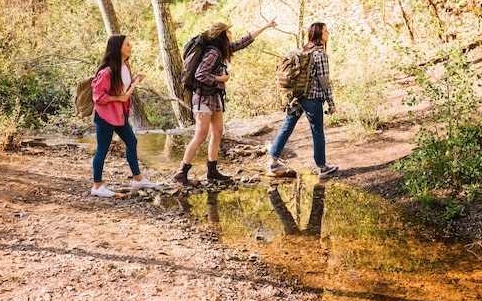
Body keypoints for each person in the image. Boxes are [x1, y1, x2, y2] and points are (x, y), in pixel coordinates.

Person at [173, 19, 277, 186]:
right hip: (203, 98)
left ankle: (212, 171)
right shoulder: (214, 53)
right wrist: (221, 78)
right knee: (200, 135)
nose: (231, 34)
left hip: (214, 96)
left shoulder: (223, 50)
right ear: (222, 35)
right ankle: (181, 172)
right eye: (228, 32)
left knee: (218, 132)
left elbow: (243, 41)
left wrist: (264, 26)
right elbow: (200, 74)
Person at [267, 22, 338, 178]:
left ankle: (272, 162)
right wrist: (331, 103)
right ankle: (322, 167)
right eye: (326, 30)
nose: (328, 33)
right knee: (317, 131)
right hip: (313, 99)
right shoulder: (320, 53)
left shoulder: (301, 51)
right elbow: (324, 81)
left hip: (296, 97)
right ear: (319, 34)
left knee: (287, 126)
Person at [90, 34, 157, 197]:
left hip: (119, 115)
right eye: (127, 44)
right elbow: (97, 96)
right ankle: (97, 187)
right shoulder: (106, 73)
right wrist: (118, 98)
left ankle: (138, 178)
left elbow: (122, 88)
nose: (130, 46)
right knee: (102, 149)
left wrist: (134, 80)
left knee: (131, 141)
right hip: (105, 116)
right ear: (118, 48)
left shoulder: (125, 66)